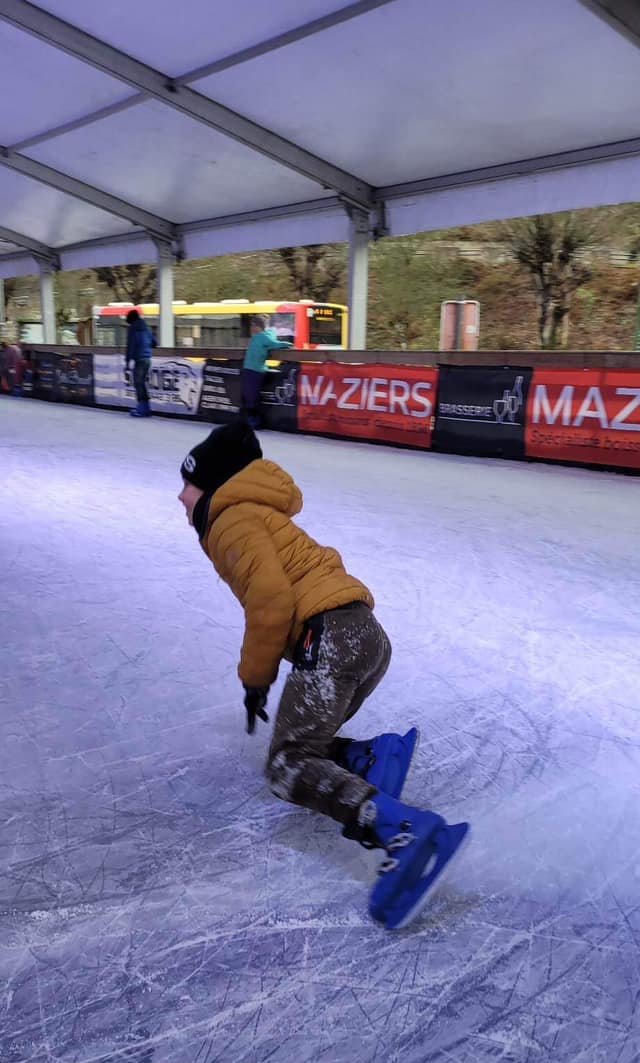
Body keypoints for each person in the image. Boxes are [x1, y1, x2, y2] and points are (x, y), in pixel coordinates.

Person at [177, 421, 469, 930]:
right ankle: (369, 757)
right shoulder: (257, 513)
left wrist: (255, 678)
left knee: (287, 765)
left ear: (214, 485)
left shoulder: (229, 519)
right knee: (304, 743)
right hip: (363, 635)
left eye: (189, 484)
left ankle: (404, 830)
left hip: (331, 640)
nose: (181, 497)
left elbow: (271, 599)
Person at [241, 315, 294, 428]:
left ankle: (255, 421)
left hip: (255, 370)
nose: (251, 328)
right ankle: (251, 419)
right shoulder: (257, 337)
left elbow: (275, 344)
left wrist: (288, 344)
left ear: (258, 326)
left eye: (252, 325)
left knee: (252, 395)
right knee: (248, 395)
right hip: (249, 369)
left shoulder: (264, 337)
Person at [125, 309, 157, 417]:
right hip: (147, 359)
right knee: (142, 383)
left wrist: (127, 361)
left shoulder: (133, 328)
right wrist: (146, 345)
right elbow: (154, 343)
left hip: (139, 359)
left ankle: (142, 409)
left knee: (138, 384)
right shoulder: (146, 327)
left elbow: (130, 345)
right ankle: (146, 408)